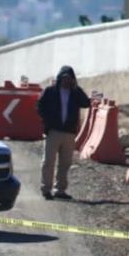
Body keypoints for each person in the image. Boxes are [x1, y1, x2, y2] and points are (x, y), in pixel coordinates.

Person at [35, 65, 91, 200]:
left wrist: (76, 88)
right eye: (64, 78)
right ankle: (46, 190)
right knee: (48, 161)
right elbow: (39, 106)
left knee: (65, 163)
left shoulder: (75, 93)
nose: (66, 81)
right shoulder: (50, 91)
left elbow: (86, 103)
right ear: (60, 78)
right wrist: (47, 121)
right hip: (53, 131)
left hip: (69, 133)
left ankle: (60, 190)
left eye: (69, 78)